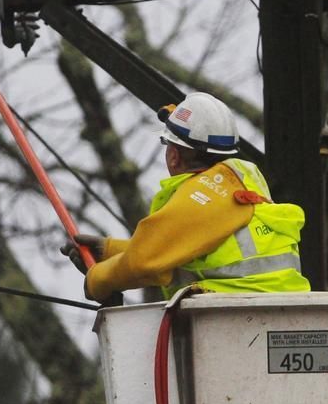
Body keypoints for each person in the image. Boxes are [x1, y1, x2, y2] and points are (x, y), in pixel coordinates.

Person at [64, 92, 310, 302]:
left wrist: (97, 281)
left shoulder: (199, 196)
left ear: (174, 156)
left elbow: (144, 263)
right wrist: (110, 250)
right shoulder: (242, 182)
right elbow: (188, 251)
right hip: (283, 307)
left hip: (228, 318)